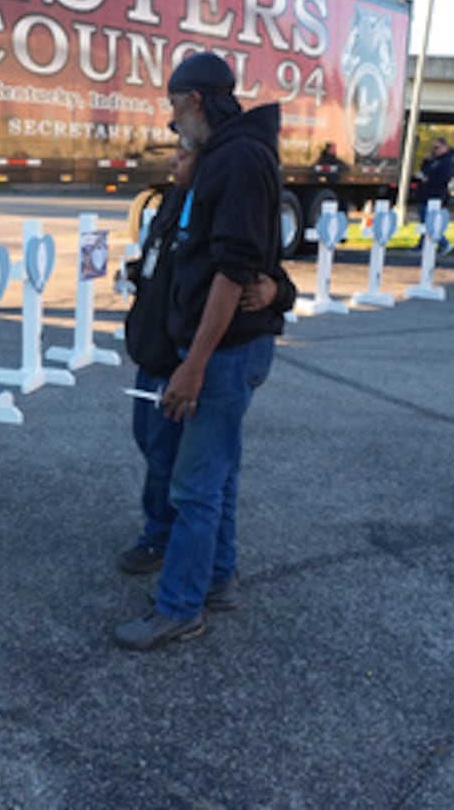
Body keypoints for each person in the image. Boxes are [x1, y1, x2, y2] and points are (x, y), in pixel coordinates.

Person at [114, 52, 286, 651]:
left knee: (194, 484)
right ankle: (217, 579)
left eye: (172, 107)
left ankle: (180, 607)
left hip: (221, 353)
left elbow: (233, 270)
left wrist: (193, 364)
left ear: (192, 101)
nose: (171, 124)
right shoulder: (225, 157)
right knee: (216, 474)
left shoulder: (236, 158)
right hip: (219, 348)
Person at [118, 143, 294, 575]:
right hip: (154, 353)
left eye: (182, 152)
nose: (172, 159)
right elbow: (165, 264)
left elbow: (257, 274)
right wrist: (139, 272)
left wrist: (277, 293)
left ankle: (184, 558)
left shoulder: (227, 205)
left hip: (179, 362)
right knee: (155, 447)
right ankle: (177, 545)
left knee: (188, 471)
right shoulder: (172, 201)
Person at [413, 136, 454, 254]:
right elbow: (423, 171)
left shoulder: (447, 162)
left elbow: (444, 179)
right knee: (424, 221)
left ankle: (444, 243)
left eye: (437, 148)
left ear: (444, 147)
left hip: (434, 195)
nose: (434, 150)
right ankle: (423, 244)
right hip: (424, 194)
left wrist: (429, 179)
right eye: (433, 148)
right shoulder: (433, 160)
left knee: (429, 222)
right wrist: (426, 161)